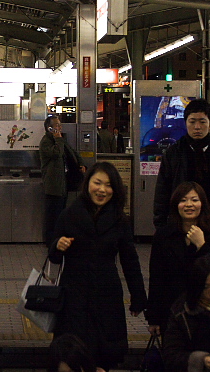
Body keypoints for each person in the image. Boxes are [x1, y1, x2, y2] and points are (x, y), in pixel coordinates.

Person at [49, 161, 146, 371]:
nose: (102, 190)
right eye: (97, 183)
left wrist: (138, 297)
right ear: (87, 184)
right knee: (72, 354)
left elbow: (130, 260)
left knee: (103, 356)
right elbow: (53, 257)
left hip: (106, 295)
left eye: (108, 185)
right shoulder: (69, 214)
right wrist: (58, 246)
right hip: (73, 295)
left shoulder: (120, 220)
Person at [153, 98, 210, 254]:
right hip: (179, 225)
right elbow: (162, 189)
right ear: (185, 123)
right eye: (192, 122)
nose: (197, 127)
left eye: (202, 122)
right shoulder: (174, 153)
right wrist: (161, 223)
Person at [146, 181, 210, 338]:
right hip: (172, 311)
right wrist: (153, 318)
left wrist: (202, 245)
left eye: (194, 200)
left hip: (206, 310)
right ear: (176, 205)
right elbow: (156, 278)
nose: (189, 204)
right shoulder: (164, 235)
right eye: (183, 200)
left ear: (202, 204)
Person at [40, 115, 85, 245]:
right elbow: (57, 153)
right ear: (49, 128)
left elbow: (72, 152)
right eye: (56, 125)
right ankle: (50, 241)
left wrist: (81, 163)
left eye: (60, 125)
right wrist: (58, 139)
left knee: (60, 213)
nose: (59, 127)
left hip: (63, 183)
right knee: (52, 215)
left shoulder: (60, 140)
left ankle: (58, 239)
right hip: (53, 185)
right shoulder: (46, 142)